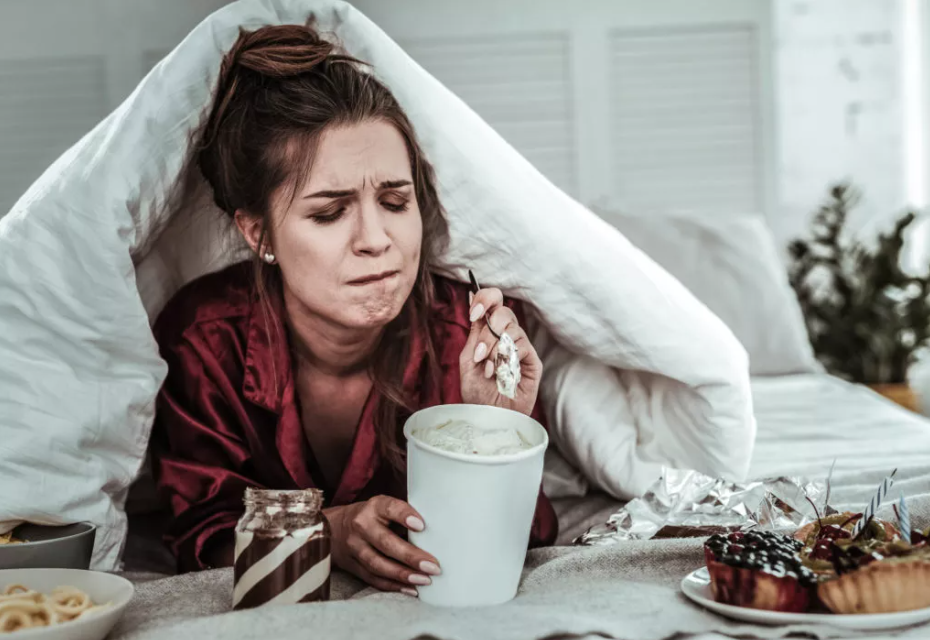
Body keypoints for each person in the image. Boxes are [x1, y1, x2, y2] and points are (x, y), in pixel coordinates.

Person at [150, 22, 558, 596]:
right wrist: (323, 533)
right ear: (258, 232)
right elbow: (198, 534)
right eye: (328, 213)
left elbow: (534, 536)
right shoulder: (203, 340)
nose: (376, 239)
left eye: (395, 201)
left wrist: (495, 428)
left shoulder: (466, 340)